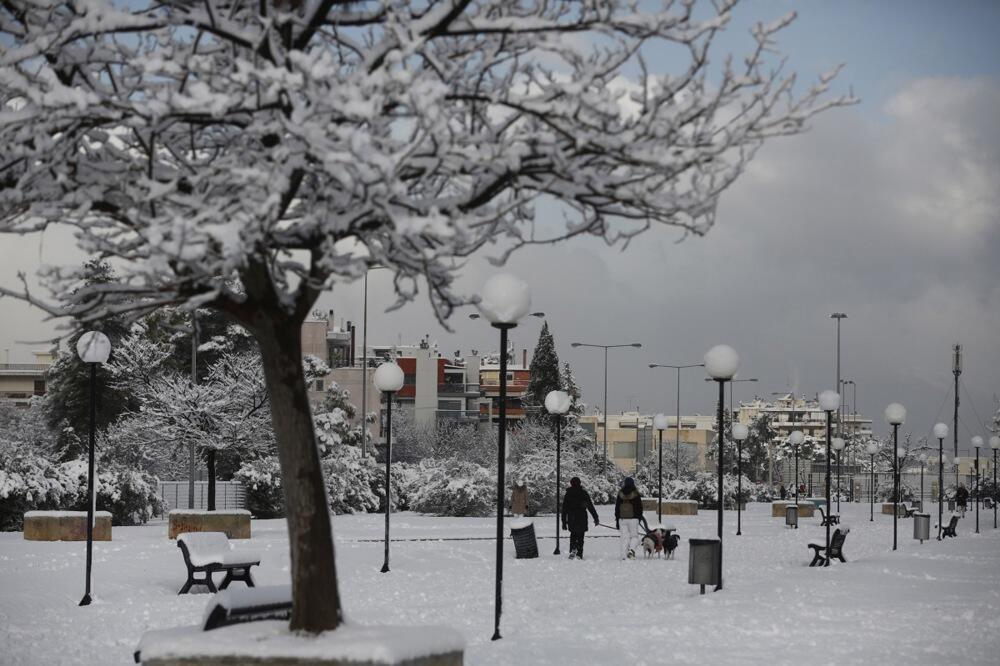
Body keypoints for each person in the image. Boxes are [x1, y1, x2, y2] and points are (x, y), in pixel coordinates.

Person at [561, 477, 599, 560]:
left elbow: (564, 509)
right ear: (580, 483)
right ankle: (579, 553)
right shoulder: (583, 493)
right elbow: (590, 506)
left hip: (572, 517)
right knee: (581, 535)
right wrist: (596, 518)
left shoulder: (568, 494)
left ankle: (573, 549)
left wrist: (564, 522)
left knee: (573, 534)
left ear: (571, 483)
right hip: (582, 516)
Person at [615, 477, 644, 560]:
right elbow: (640, 507)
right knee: (634, 537)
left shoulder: (620, 493)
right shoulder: (636, 493)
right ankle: (631, 551)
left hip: (622, 519)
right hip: (633, 519)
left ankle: (623, 555)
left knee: (624, 537)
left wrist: (617, 520)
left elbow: (617, 508)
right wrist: (639, 518)